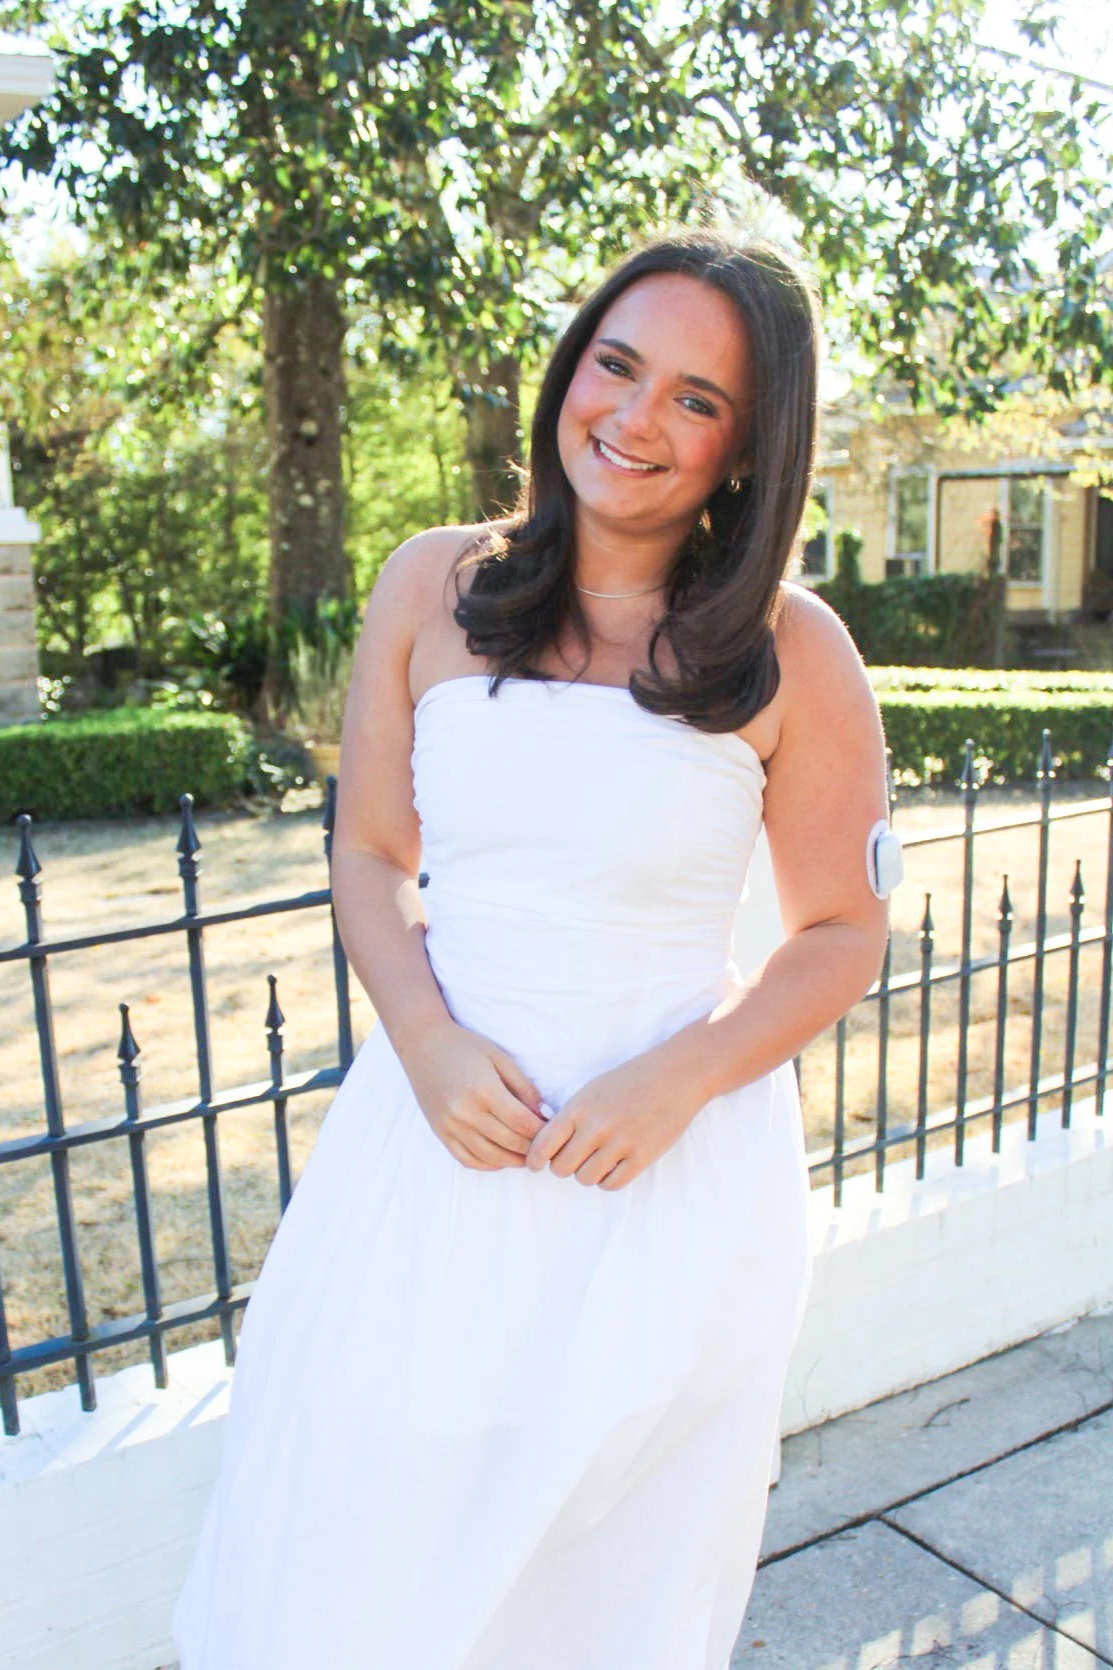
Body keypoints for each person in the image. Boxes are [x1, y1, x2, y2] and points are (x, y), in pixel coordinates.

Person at [171, 224, 891, 1670]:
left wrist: (682, 1077)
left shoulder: (795, 649)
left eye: (696, 398)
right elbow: (371, 855)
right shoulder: (430, 584)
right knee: (353, 1547)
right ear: (570, 369)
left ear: (749, 447)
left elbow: (841, 930)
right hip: (433, 1149)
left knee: (602, 1590)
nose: (634, 416)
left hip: (661, 1180)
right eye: (617, 364)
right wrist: (428, 1043)